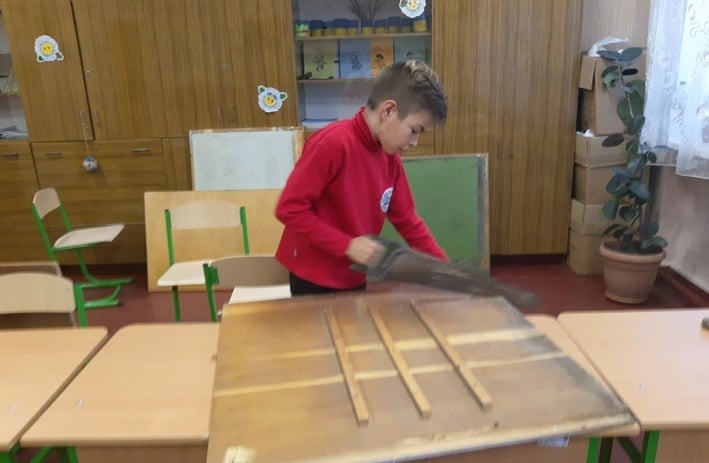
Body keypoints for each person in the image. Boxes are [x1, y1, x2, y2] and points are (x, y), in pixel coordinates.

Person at [275, 60, 448, 296]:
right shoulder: (331, 144)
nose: (415, 142)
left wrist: (443, 269)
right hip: (313, 277)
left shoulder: (390, 157)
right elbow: (289, 209)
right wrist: (347, 245)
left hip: (353, 274)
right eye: (414, 130)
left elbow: (407, 220)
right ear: (388, 111)